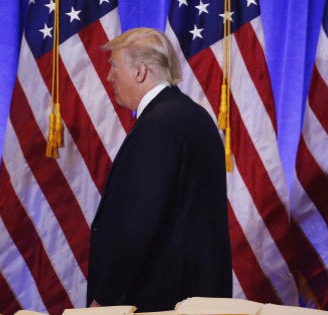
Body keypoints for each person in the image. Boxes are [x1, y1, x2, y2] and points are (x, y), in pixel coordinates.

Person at [87, 27, 232, 312]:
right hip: (195, 297)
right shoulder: (193, 116)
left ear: (140, 72)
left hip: (159, 299)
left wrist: (105, 300)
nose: (109, 77)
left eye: (114, 66)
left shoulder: (159, 126)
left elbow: (139, 223)